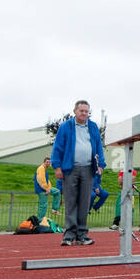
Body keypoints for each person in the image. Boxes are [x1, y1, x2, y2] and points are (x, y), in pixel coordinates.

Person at [50, 99, 105, 247]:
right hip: (70, 169)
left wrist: (101, 165)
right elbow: (58, 147)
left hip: (88, 169)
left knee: (85, 202)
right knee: (70, 202)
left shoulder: (93, 127)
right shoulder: (66, 127)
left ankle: (82, 235)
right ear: (75, 111)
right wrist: (57, 166)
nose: (84, 114)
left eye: (87, 111)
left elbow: (99, 146)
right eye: (81, 111)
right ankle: (69, 235)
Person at [34, 157, 56, 223]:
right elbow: (41, 181)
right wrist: (47, 189)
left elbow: (47, 181)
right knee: (43, 206)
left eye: (49, 162)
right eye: (47, 162)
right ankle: (40, 221)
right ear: (44, 162)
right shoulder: (41, 168)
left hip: (44, 189)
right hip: (41, 190)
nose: (48, 163)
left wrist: (49, 188)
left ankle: (54, 209)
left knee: (57, 192)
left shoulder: (44, 169)